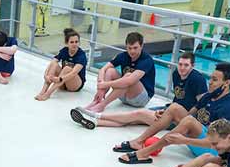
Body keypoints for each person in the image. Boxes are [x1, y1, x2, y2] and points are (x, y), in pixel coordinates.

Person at [117, 62, 230, 164]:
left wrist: (184, 140)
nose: (210, 82)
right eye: (210, 78)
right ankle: (138, 142)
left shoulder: (229, 108)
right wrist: (167, 114)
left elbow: (222, 144)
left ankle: (144, 153)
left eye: (214, 80)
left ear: (227, 83)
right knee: (175, 107)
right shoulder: (209, 96)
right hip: (199, 138)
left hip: (212, 149)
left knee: (189, 121)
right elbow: (190, 114)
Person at [71, 52, 206, 131]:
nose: (182, 68)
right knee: (134, 120)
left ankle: (94, 115)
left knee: (137, 114)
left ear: (192, 66)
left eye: (186, 65)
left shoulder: (197, 79)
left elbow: (202, 104)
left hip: (180, 118)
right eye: (180, 64)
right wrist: (168, 109)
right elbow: (179, 99)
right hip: (170, 109)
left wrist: (184, 122)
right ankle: (96, 122)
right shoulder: (176, 74)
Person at [74, 32, 156, 118]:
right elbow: (103, 69)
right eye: (129, 48)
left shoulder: (146, 60)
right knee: (110, 71)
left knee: (127, 77)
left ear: (141, 46)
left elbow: (130, 81)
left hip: (140, 99)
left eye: (135, 48)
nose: (132, 51)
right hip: (123, 94)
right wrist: (100, 88)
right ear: (126, 46)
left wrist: (105, 84)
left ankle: (102, 105)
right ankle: (98, 100)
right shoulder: (123, 56)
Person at [35, 28, 87, 101]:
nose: (75, 44)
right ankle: (43, 91)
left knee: (67, 68)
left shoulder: (81, 55)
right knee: (54, 64)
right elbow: (52, 62)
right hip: (62, 83)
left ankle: (48, 94)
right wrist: (46, 75)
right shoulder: (64, 50)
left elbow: (73, 73)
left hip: (74, 85)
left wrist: (60, 79)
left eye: (76, 42)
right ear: (67, 43)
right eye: (72, 42)